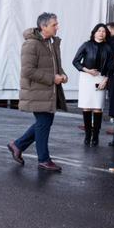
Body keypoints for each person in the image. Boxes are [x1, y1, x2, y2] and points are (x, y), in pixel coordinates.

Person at [7, 12, 68, 172]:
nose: (57, 27)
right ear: (43, 26)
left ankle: (17, 145)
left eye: (56, 24)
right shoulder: (31, 44)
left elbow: (56, 66)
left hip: (49, 91)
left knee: (43, 123)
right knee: (43, 123)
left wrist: (62, 75)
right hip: (37, 92)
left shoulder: (52, 43)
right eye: (54, 24)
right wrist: (51, 78)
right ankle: (44, 159)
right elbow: (28, 71)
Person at [71, 24, 113, 146]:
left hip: (101, 77)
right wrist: (87, 70)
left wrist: (105, 80)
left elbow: (111, 67)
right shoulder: (86, 45)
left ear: (106, 34)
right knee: (87, 106)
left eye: (104, 31)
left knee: (98, 107)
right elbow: (75, 61)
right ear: (94, 33)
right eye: (99, 31)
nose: (101, 33)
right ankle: (87, 135)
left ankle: (95, 136)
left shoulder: (108, 48)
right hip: (86, 77)